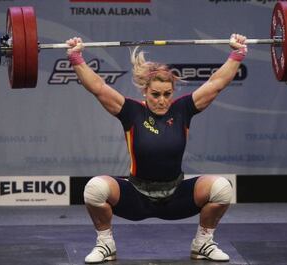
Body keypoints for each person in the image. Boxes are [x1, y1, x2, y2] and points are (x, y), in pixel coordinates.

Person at [66, 33, 247, 264]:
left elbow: (216, 84)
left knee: (221, 188)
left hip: (176, 195)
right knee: (94, 189)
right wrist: (76, 57)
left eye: (167, 94)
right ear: (145, 91)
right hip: (136, 196)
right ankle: (105, 243)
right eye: (156, 94)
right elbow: (99, 88)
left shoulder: (182, 109)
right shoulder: (131, 112)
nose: (162, 100)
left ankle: (203, 242)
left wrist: (237, 54)